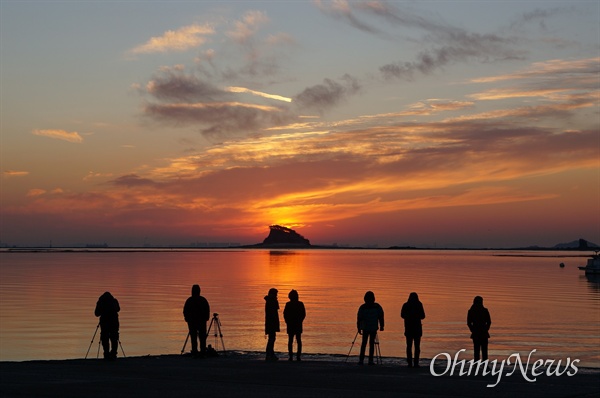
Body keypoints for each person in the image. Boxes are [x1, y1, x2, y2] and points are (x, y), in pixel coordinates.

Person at [357, 291, 384, 365]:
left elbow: (359, 318)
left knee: (364, 343)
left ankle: (361, 360)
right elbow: (381, 316)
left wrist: (358, 327)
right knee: (371, 344)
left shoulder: (363, 307)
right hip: (373, 327)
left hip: (366, 327)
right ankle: (370, 360)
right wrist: (382, 326)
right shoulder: (377, 306)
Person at [183, 284, 210, 357]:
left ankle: (195, 351)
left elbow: (185, 311)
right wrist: (206, 318)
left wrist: (187, 318)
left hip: (194, 322)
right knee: (201, 337)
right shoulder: (203, 300)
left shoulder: (190, 300)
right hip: (199, 321)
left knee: (194, 337)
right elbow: (207, 310)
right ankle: (202, 351)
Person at [401, 292, 426, 368]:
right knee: (417, 346)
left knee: (409, 346)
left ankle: (409, 362)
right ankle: (416, 362)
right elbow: (423, 316)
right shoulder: (419, 304)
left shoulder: (406, 305)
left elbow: (402, 315)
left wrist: (408, 317)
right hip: (417, 328)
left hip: (408, 328)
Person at [94, 291, 120, 360]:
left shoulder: (101, 302)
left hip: (104, 323)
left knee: (105, 338)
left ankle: (106, 354)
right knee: (114, 338)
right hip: (114, 322)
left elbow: (96, 313)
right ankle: (114, 353)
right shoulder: (114, 301)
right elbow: (118, 309)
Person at [283, 289, 306, 361]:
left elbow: (285, 314)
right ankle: (298, 356)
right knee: (298, 340)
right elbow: (303, 314)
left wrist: (287, 321)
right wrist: (300, 320)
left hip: (291, 324)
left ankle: (291, 356)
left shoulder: (288, 304)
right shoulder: (300, 304)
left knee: (291, 340)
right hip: (297, 324)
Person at [467, 296, 492, 361]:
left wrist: (473, 330)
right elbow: (489, 322)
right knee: (483, 351)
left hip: (479, 332)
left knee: (477, 350)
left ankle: (478, 365)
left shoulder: (472, 311)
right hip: (480, 332)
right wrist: (486, 329)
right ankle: (481, 365)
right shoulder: (482, 310)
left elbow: (469, 323)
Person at [264, 288, 280, 361]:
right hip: (272, 322)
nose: (277, 295)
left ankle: (270, 353)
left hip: (270, 322)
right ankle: (269, 354)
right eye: (276, 294)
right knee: (272, 338)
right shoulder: (272, 301)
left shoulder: (270, 301)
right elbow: (274, 311)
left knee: (272, 338)